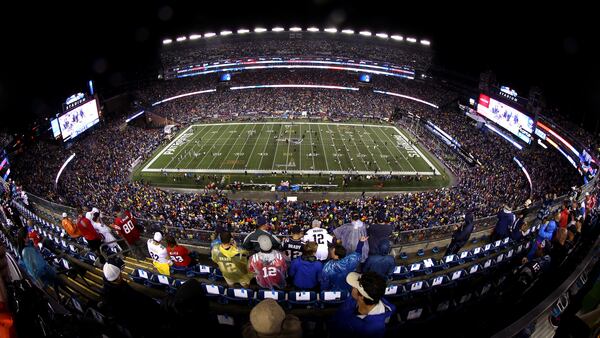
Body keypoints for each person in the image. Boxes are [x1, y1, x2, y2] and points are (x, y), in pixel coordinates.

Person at [101, 263, 162, 337]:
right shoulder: (120, 291)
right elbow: (138, 301)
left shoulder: (106, 287)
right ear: (119, 277)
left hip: (127, 321)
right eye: (120, 273)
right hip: (136, 321)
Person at [329, 272, 396, 338]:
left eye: (355, 287)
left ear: (362, 297)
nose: (352, 287)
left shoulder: (370, 329)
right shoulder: (357, 298)